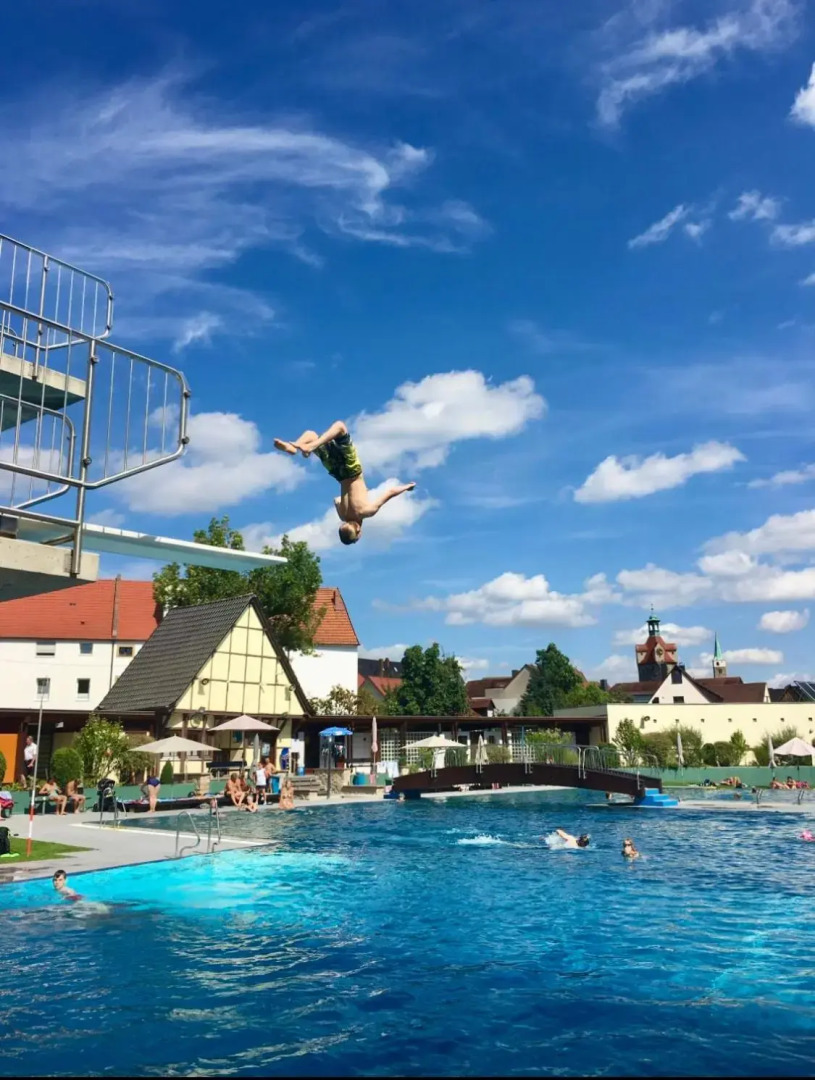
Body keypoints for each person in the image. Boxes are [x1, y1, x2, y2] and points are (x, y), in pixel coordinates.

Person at [274, 420, 415, 546]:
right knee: (311, 435)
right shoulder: (342, 515)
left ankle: (308, 447)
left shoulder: (366, 512)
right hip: (338, 473)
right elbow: (336, 500)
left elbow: (390, 492)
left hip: (352, 470)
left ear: (358, 529)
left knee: (340, 427)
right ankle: (297, 446)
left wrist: (407, 487)